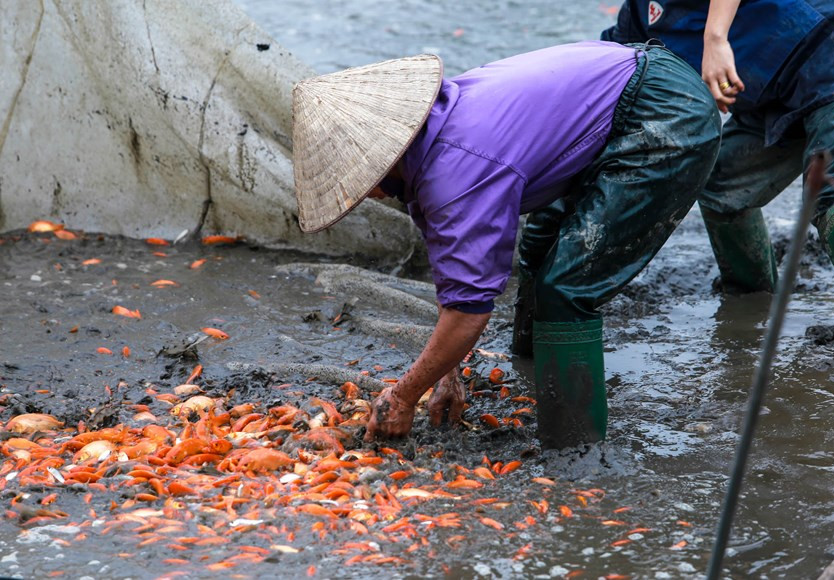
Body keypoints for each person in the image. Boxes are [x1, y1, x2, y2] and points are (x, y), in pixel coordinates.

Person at [291, 40, 720, 448]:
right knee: (537, 250)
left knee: (566, 287)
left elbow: (468, 311)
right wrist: (447, 375)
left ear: (383, 163)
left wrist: (402, 397)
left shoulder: (457, 170)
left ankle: (575, 447)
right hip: (621, 93)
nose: (364, 193)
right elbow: (454, 270)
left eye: (360, 184)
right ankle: (537, 386)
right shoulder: (437, 125)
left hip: (664, 114)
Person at [600, 0, 834, 335]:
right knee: (720, 184)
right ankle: (753, 302)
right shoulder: (640, 14)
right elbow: (616, 71)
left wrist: (715, 38)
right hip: (774, 94)